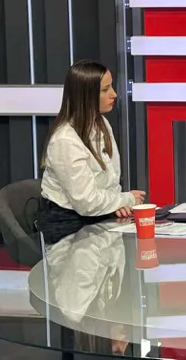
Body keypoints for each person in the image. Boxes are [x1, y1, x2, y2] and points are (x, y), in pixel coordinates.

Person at [37, 60, 146, 240]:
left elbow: (110, 183)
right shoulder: (65, 140)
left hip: (97, 217)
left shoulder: (101, 124)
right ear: (86, 96)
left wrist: (116, 204)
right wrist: (126, 199)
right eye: (105, 90)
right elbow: (86, 202)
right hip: (68, 227)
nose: (114, 94)